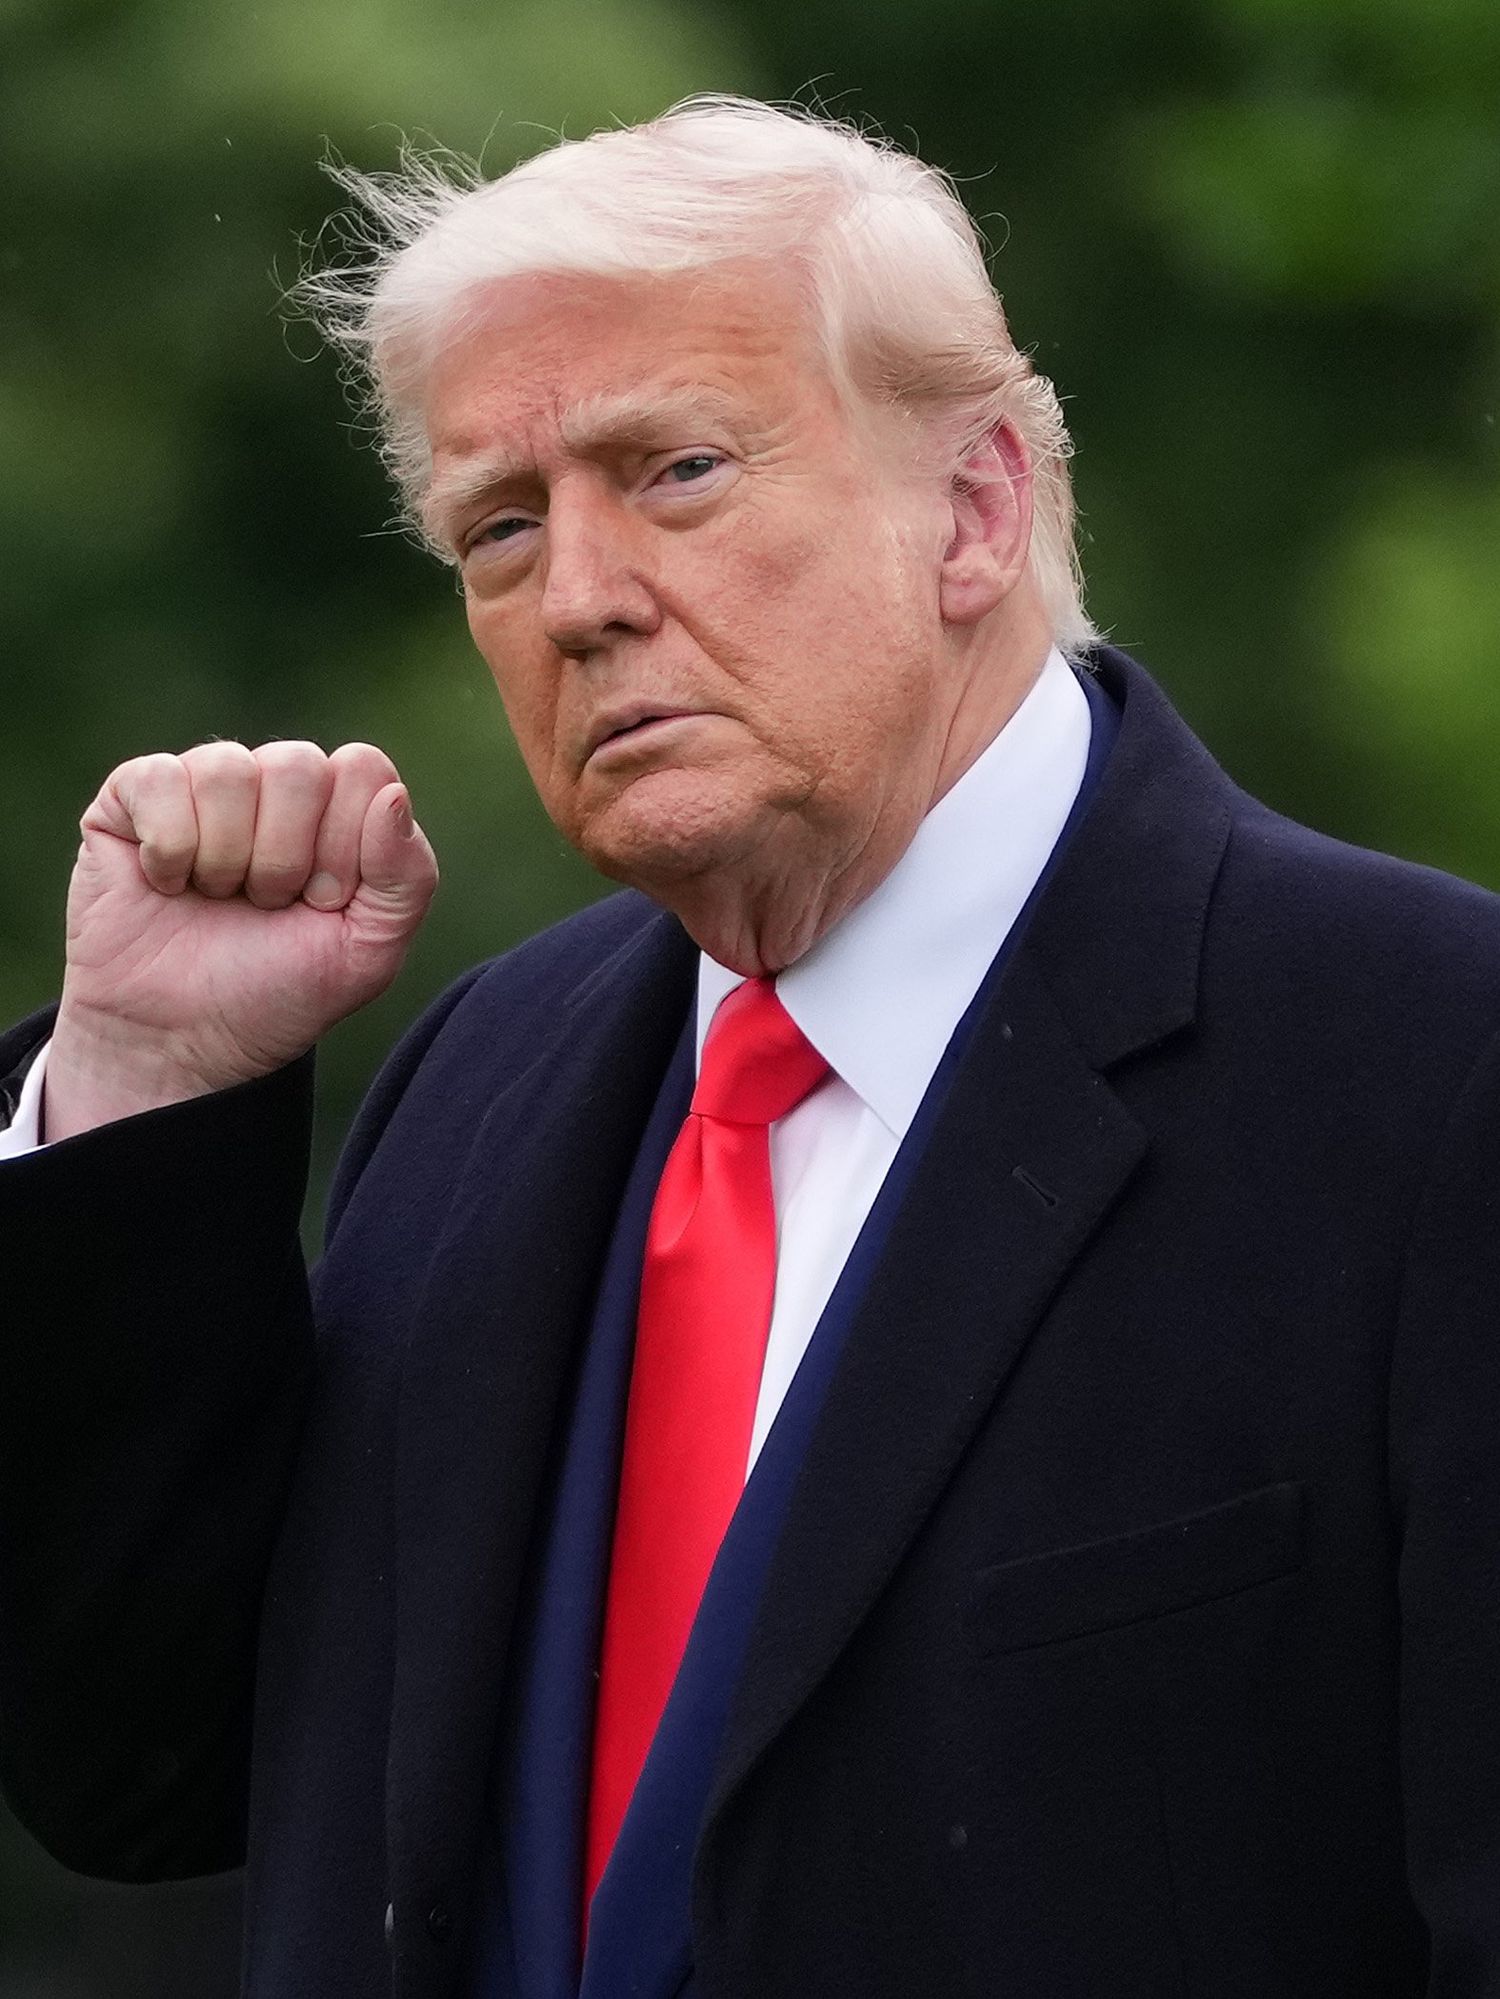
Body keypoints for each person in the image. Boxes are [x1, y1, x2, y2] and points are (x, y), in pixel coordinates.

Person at [1, 94, 1497, 1999]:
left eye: (679, 469)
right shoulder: (480, 1080)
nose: (582, 597)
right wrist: (145, 1078)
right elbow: (146, 1778)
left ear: (975, 510)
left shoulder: (1432, 1066)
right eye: (503, 525)